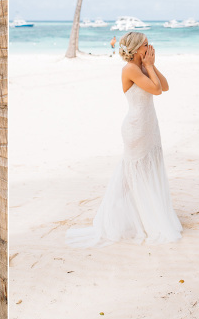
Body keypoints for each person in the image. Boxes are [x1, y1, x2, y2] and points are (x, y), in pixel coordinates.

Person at [66, 32, 182, 247]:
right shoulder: (130, 69)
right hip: (136, 128)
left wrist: (151, 65)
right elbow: (156, 90)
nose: (150, 47)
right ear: (137, 48)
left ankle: (144, 214)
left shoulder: (143, 67)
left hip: (150, 126)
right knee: (131, 175)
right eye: (146, 44)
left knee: (146, 171)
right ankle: (115, 218)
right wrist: (149, 65)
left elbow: (165, 86)